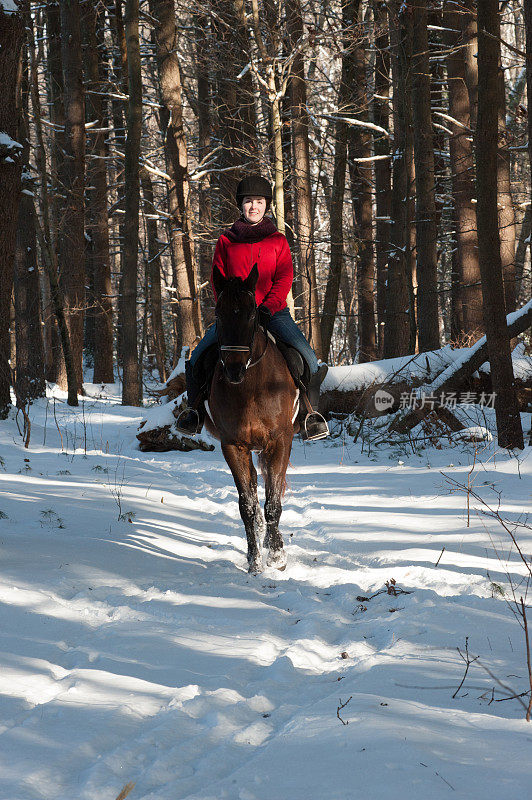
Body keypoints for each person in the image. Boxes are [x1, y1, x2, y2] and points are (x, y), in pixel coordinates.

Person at [176, 174, 329, 440]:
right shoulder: (226, 241)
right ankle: (195, 412)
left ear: (266, 205)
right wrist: (228, 308)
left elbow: (284, 278)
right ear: (241, 205)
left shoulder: (278, 240)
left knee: (309, 358)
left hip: (273, 313)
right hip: (235, 317)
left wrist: (267, 308)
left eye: (259, 201)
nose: (254, 207)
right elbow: (217, 278)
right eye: (248, 202)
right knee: (198, 357)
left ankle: (310, 415)